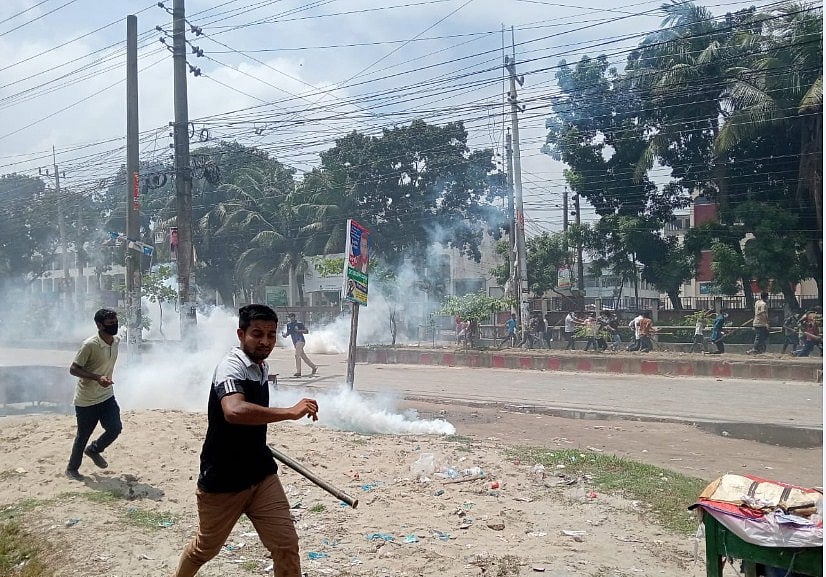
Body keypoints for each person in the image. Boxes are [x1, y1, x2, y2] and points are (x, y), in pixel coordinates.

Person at [173, 304, 319, 577]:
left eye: (271, 335)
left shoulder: (261, 367)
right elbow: (234, 411)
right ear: (241, 334)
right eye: (257, 334)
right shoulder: (231, 366)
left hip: (260, 474)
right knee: (205, 548)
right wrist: (289, 412)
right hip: (223, 480)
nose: (265, 342)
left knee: (286, 545)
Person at [65, 308, 123, 481]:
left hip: (106, 396)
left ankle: (94, 449)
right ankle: (72, 469)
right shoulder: (89, 345)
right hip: (86, 400)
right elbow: (73, 369)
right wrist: (97, 377)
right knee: (83, 435)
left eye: (115, 321)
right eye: (110, 323)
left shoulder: (117, 341)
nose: (114, 325)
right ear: (99, 325)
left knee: (115, 428)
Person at [282, 312, 318, 377]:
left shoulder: (299, 323)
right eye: (289, 317)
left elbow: (306, 331)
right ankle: (314, 367)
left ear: (294, 317)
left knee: (296, 355)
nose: (290, 318)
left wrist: (299, 331)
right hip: (295, 343)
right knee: (303, 357)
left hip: (300, 341)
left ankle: (298, 372)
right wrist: (284, 335)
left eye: (291, 316)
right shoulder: (289, 325)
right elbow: (287, 334)